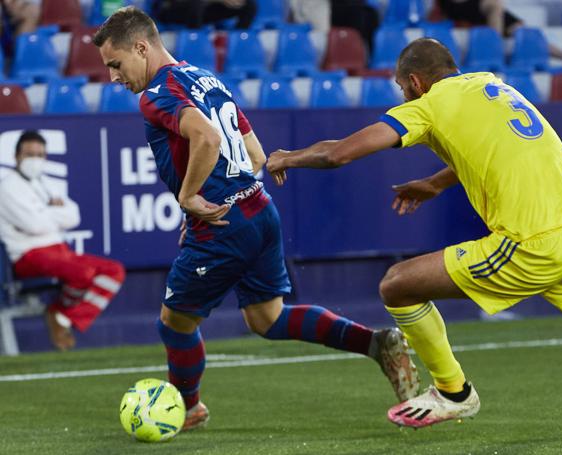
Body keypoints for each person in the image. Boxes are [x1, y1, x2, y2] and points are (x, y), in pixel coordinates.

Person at [265, 38, 562, 430]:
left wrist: (289, 156)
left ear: (415, 82)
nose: (403, 95)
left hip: (534, 239)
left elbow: (340, 153)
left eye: (401, 87)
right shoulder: (492, 86)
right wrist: (434, 183)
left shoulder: (428, 105)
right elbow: (493, 147)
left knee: (397, 285)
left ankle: (454, 392)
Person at [93, 6, 419, 431]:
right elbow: (256, 155)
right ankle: (377, 342)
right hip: (260, 210)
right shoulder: (203, 76)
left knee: (174, 322)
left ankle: (188, 409)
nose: (114, 77)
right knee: (267, 319)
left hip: (224, 225)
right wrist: (217, 194)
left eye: (116, 65)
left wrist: (191, 197)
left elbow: (206, 137)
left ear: (141, 47)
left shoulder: (155, 94)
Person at [0, 131, 126, 351]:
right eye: (29, 154)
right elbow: (35, 225)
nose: (35, 159)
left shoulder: (46, 182)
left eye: (40, 154)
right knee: (82, 273)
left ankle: (64, 317)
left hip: (60, 251)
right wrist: (54, 212)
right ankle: (59, 313)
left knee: (114, 271)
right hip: (28, 255)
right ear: (16, 156)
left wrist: (44, 213)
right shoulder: (7, 187)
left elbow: (74, 216)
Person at [437, 0, 562, 69]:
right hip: (464, 10)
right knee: (495, 5)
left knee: (523, 32)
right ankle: (494, 50)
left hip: (488, 14)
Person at [151, 0, 257, 30]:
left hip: (205, 9)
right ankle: (195, 40)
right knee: (197, 4)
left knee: (248, 5)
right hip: (172, 10)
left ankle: (238, 42)